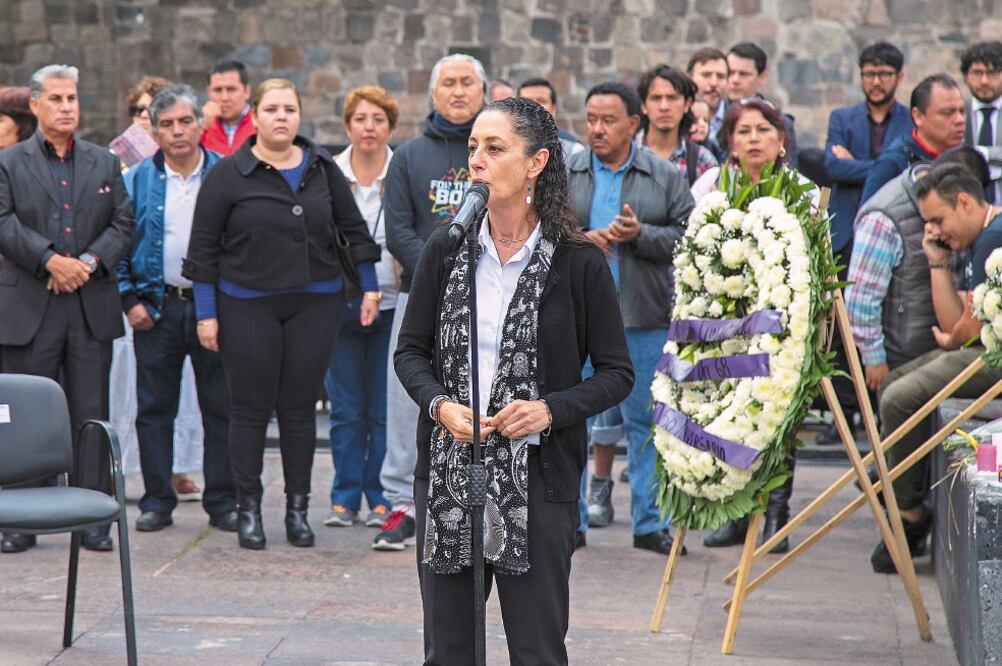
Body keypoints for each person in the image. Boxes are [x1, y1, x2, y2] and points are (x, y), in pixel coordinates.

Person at [396, 95, 634, 665]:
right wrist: (439, 407)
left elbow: (616, 373)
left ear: (536, 163)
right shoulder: (446, 248)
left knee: (537, 649)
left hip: (539, 477)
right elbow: (410, 353)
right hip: (451, 475)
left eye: (494, 148)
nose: (476, 159)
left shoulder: (577, 261)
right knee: (449, 651)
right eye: (473, 146)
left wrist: (549, 409)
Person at [182, 79, 381, 550]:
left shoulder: (321, 167)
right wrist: (206, 315)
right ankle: (248, 509)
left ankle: (297, 510)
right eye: (272, 109)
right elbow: (203, 252)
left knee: (298, 411)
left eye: (289, 109)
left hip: (316, 302)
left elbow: (353, 230)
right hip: (246, 303)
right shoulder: (228, 174)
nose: (281, 117)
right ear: (255, 115)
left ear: (299, 115)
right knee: (249, 409)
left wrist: (370, 287)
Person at [0, 64, 133, 553]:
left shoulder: (104, 162)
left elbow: (123, 223)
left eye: (72, 98)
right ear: (35, 106)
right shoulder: (9, 161)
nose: (66, 107)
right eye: (56, 99)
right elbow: (2, 220)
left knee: (89, 412)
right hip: (28, 307)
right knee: (19, 414)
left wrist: (88, 263)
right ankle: (17, 519)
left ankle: (92, 518)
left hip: (87, 305)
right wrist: (50, 260)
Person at [568, 82, 694, 554]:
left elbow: (689, 238)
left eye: (608, 121)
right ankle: (571, 522)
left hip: (643, 315)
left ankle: (649, 523)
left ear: (633, 125)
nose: (597, 130)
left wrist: (640, 235)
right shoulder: (568, 170)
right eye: (591, 120)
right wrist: (584, 239)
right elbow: (539, 227)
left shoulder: (663, 175)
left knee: (646, 421)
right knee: (570, 422)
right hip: (577, 317)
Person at [690, 97, 812, 553]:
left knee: (779, 412)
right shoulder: (711, 187)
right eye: (744, 132)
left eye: (763, 130)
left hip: (783, 323)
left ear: (781, 141)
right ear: (730, 143)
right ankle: (738, 511)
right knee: (731, 414)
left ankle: (775, 510)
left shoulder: (800, 189)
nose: (754, 139)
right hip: (726, 327)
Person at [868, 162, 1002, 574]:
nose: (935, 231)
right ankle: (895, 478)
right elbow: (956, 327)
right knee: (896, 381)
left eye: (938, 220)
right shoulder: (980, 238)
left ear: (964, 202)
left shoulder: (990, 241)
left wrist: (955, 331)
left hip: (993, 355)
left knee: (900, 397)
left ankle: (908, 513)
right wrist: (938, 261)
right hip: (985, 345)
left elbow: (960, 331)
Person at [117, 84, 237, 534]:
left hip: (215, 311)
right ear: (154, 130)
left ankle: (222, 500)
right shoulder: (136, 180)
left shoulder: (226, 175)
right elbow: (119, 244)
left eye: (185, 121)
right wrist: (129, 299)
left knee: (220, 406)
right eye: (166, 124)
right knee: (154, 408)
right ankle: (157, 500)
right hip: (157, 306)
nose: (177, 131)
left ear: (199, 124)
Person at [380, 53, 486, 552]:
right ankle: (402, 502)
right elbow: (398, 230)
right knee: (408, 399)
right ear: (434, 93)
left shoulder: (499, 151)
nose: (459, 91)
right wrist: (438, 274)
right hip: (419, 296)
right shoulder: (408, 157)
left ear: (484, 92)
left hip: (489, 293)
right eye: (449, 83)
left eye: (468, 82)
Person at [820, 41, 913, 445]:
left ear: (898, 77)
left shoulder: (910, 119)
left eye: (884, 75)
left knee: (881, 320)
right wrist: (884, 165)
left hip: (888, 234)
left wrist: (855, 166)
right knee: (840, 327)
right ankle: (845, 413)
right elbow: (831, 165)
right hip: (845, 234)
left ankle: (880, 412)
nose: (876, 82)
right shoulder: (842, 117)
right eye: (869, 74)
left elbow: (903, 166)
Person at [847, 148, 988, 399]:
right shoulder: (885, 215)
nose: (934, 229)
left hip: (945, 345)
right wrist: (873, 358)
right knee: (895, 396)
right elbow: (861, 296)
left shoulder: (982, 230)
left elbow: (965, 319)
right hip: (901, 349)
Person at [322, 86, 398, 528]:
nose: (369, 128)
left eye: (378, 120)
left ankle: (381, 494)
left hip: (393, 302)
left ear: (390, 127)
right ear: (347, 125)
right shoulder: (330, 173)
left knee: (384, 406)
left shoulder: (401, 170)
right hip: (342, 302)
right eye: (361, 119)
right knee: (346, 407)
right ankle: (345, 494)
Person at [860, 74, 966, 203]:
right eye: (947, 113)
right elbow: (868, 220)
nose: (960, 120)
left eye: (961, 111)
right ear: (918, 116)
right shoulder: (893, 164)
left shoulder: (965, 159)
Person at [634, 64, 718, 186]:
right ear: (643, 106)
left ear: (687, 104)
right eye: (656, 98)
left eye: (672, 98)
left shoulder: (702, 160)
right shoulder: (626, 155)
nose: (664, 107)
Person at [724, 42, 798, 166]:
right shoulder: (708, 117)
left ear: (763, 77)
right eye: (730, 73)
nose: (735, 80)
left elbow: (788, 171)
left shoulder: (780, 122)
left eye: (743, 74)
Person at [960, 41, 1002, 203]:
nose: (984, 81)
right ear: (966, 76)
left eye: (992, 73)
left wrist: (981, 154)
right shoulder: (957, 112)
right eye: (977, 73)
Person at [517, 76, 585, 158]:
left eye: (542, 101)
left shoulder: (574, 150)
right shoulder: (504, 145)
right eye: (527, 101)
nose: (535, 106)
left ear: (554, 108)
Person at [200, 59, 254, 156]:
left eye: (231, 89)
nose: (224, 98)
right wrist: (201, 128)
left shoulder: (261, 123)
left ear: (247, 91)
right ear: (208, 92)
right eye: (218, 90)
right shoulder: (199, 127)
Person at [686, 47, 729, 161]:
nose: (714, 83)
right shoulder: (676, 117)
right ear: (690, 78)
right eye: (706, 75)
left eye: (720, 76)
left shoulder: (736, 120)